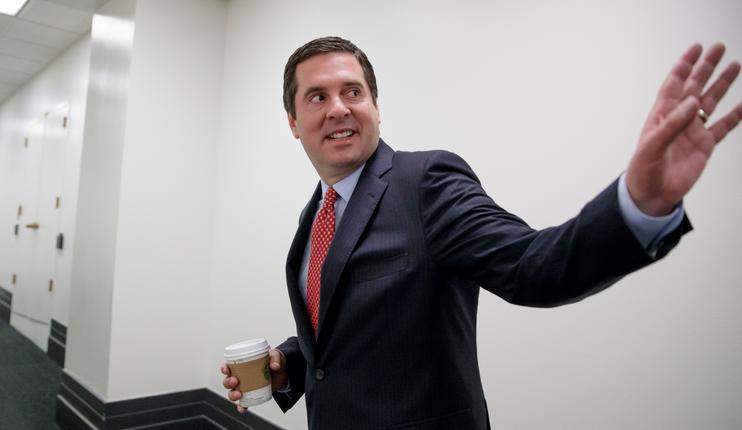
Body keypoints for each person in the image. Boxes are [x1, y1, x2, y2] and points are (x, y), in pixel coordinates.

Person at [222, 36, 741, 429]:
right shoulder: (316, 214)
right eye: (317, 97)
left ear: (375, 107)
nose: (338, 107)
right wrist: (288, 365)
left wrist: (640, 202)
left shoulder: (425, 182)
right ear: (293, 121)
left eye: (352, 91)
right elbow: (342, 331)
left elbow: (533, 266)